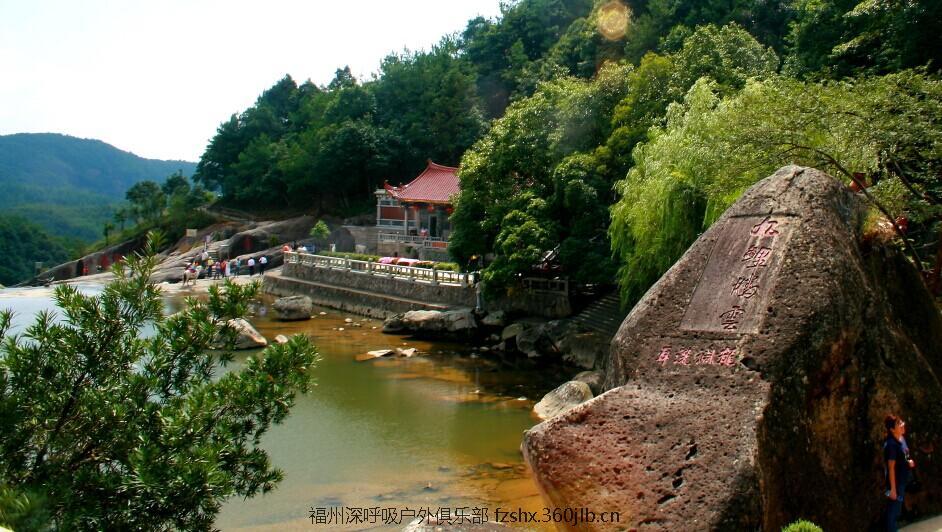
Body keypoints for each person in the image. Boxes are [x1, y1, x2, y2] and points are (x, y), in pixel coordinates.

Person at [884, 414, 911, 532]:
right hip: (895, 484)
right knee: (892, 515)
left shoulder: (898, 442)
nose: (902, 425)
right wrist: (893, 489)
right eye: (898, 424)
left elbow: (902, 458)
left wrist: (908, 461)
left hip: (900, 483)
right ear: (892, 429)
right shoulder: (892, 445)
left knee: (895, 513)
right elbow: (890, 468)